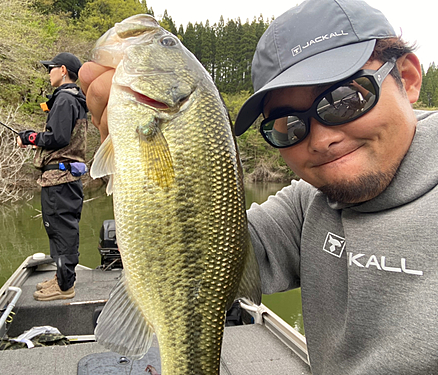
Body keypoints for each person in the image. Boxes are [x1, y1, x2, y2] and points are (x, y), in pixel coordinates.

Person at [78, 0, 438, 373]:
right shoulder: (310, 205)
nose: (321, 140)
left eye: (345, 100)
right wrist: (142, 165)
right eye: (288, 125)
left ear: (408, 79)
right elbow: (207, 254)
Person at [18, 52, 88, 301]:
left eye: (50, 69)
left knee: (61, 231)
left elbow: (58, 138)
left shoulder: (65, 101)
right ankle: (62, 278)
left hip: (60, 180)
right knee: (59, 229)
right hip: (63, 179)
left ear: (62, 70)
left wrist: (29, 137)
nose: (48, 73)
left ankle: (65, 286)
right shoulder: (71, 99)